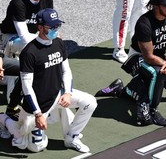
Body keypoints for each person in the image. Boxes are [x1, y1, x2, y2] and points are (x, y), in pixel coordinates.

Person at [0, 8, 97, 153]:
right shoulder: (29, 52)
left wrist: (68, 93)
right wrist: (38, 114)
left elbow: (66, 70)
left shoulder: (58, 43)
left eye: (57, 25)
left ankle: (72, 138)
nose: (56, 29)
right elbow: (27, 88)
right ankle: (4, 119)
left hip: (57, 95)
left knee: (90, 102)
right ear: (40, 27)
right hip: (37, 105)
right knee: (33, 146)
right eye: (51, 27)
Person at [96, 0, 166, 127]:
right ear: (157, 7)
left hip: (157, 56)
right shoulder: (144, 23)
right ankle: (153, 110)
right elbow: (149, 56)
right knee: (158, 72)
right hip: (137, 57)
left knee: (160, 74)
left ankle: (122, 90)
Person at [0, 0, 57, 122]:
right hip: (11, 39)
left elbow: (49, 22)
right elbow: (24, 36)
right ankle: (12, 110)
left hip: (33, 38)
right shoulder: (18, 2)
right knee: (23, 63)